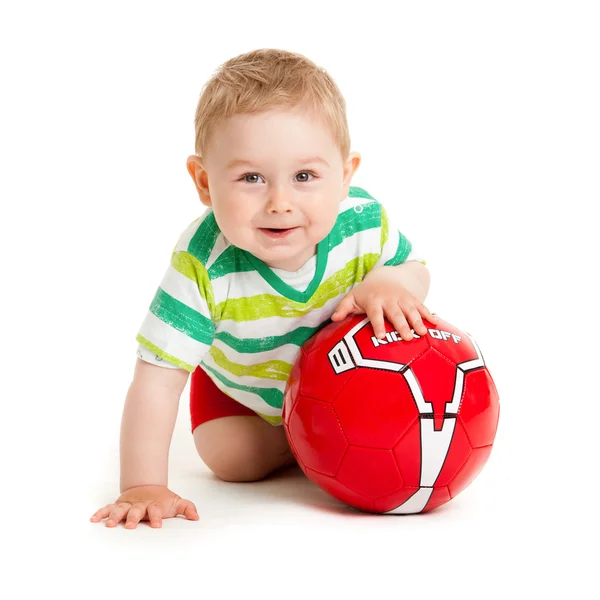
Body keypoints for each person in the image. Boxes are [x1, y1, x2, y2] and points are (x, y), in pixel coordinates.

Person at [90, 48, 437, 529]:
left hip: (341, 382)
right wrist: (141, 484)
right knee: (231, 460)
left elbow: (414, 269)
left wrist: (389, 280)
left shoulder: (361, 222)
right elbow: (157, 378)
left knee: (391, 389)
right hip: (244, 387)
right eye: (251, 178)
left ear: (345, 176)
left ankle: (328, 430)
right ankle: (307, 439)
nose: (280, 202)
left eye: (305, 176)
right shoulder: (203, 263)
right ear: (205, 183)